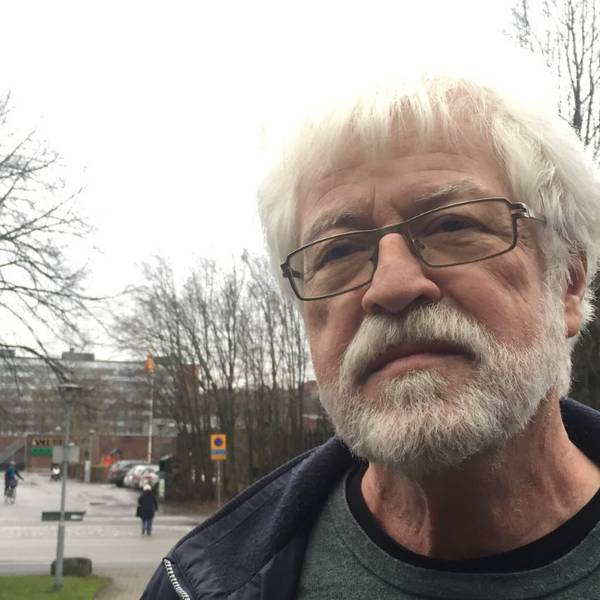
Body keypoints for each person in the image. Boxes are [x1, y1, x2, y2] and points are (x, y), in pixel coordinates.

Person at [143, 54, 600, 598]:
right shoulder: (198, 585)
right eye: (338, 251)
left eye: (453, 224)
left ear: (568, 281)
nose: (391, 286)